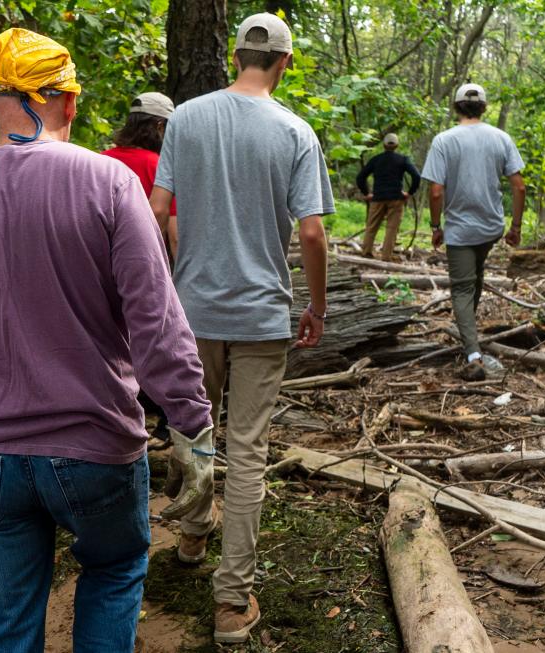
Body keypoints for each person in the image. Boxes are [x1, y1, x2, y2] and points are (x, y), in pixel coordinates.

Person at [0, 28, 212, 653]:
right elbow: (156, 322)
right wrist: (192, 428)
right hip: (96, 447)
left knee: (4, 632)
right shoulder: (109, 184)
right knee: (113, 571)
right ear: (72, 102)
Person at [150, 12, 334, 645]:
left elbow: (156, 212)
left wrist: (162, 294)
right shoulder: (295, 131)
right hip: (260, 315)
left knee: (194, 428)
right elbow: (311, 231)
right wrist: (316, 306)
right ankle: (231, 603)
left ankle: (194, 537)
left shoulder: (187, 119)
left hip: (191, 312)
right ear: (283, 63)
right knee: (249, 452)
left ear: (234, 56)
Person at [421, 83, 526, 381]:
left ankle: (473, 354)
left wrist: (435, 226)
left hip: (460, 229)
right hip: (491, 226)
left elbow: (436, 191)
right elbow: (519, 186)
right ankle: (470, 339)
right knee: (474, 278)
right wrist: (515, 226)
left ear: (456, 107)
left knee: (463, 288)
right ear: (484, 107)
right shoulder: (501, 138)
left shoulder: (444, 140)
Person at [102, 91, 177, 441]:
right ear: (160, 126)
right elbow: (173, 230)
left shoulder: (100, 161)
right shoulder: (160, 167)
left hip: (102, 271)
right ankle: (166, 417)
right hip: (148, 270)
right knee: (155, 337)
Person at [355, 132, 421, 261]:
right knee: (391, 228)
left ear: (384, 145)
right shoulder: (403, 159)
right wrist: (410, 192)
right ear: (397, 145)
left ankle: (366, 253)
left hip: (378, 198)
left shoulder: (376, 159)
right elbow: (416, 176)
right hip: (396, 198)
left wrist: (367, 193)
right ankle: (386, 256)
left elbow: (360, 177)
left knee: (371, 227)